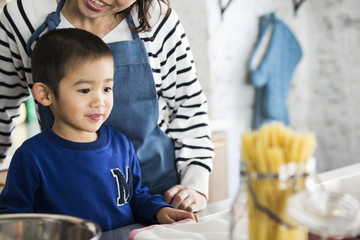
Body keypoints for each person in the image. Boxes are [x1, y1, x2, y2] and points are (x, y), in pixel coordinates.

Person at [0, 0, 214, 212]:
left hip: (159, 201)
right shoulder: (23, 16)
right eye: (84, 89)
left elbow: (189, 103)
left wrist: (195, 184)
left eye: (107, 88)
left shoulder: (156, 18)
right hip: (64, 214)